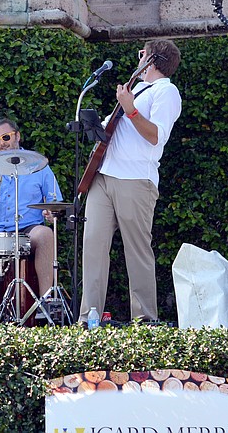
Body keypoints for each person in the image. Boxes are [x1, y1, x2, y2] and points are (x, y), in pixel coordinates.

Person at [79, 39, 182, 325]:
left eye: (142, 54)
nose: (138, 59)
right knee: (93, 244)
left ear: (152, 60)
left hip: (136, 180)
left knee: (136, 250)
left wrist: (130, 108)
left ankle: (145, 319)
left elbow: (156, 136)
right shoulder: (137, 88)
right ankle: (89, 317)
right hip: (104, 175)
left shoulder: (167, 91)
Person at [0, 118, 63, 299]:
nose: (2, 144)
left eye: (6, 137)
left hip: (26, 231)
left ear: (18, 136)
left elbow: (55, 202)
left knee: (46, 235)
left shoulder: (38, 165)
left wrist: (51, 212)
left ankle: (46, 301)